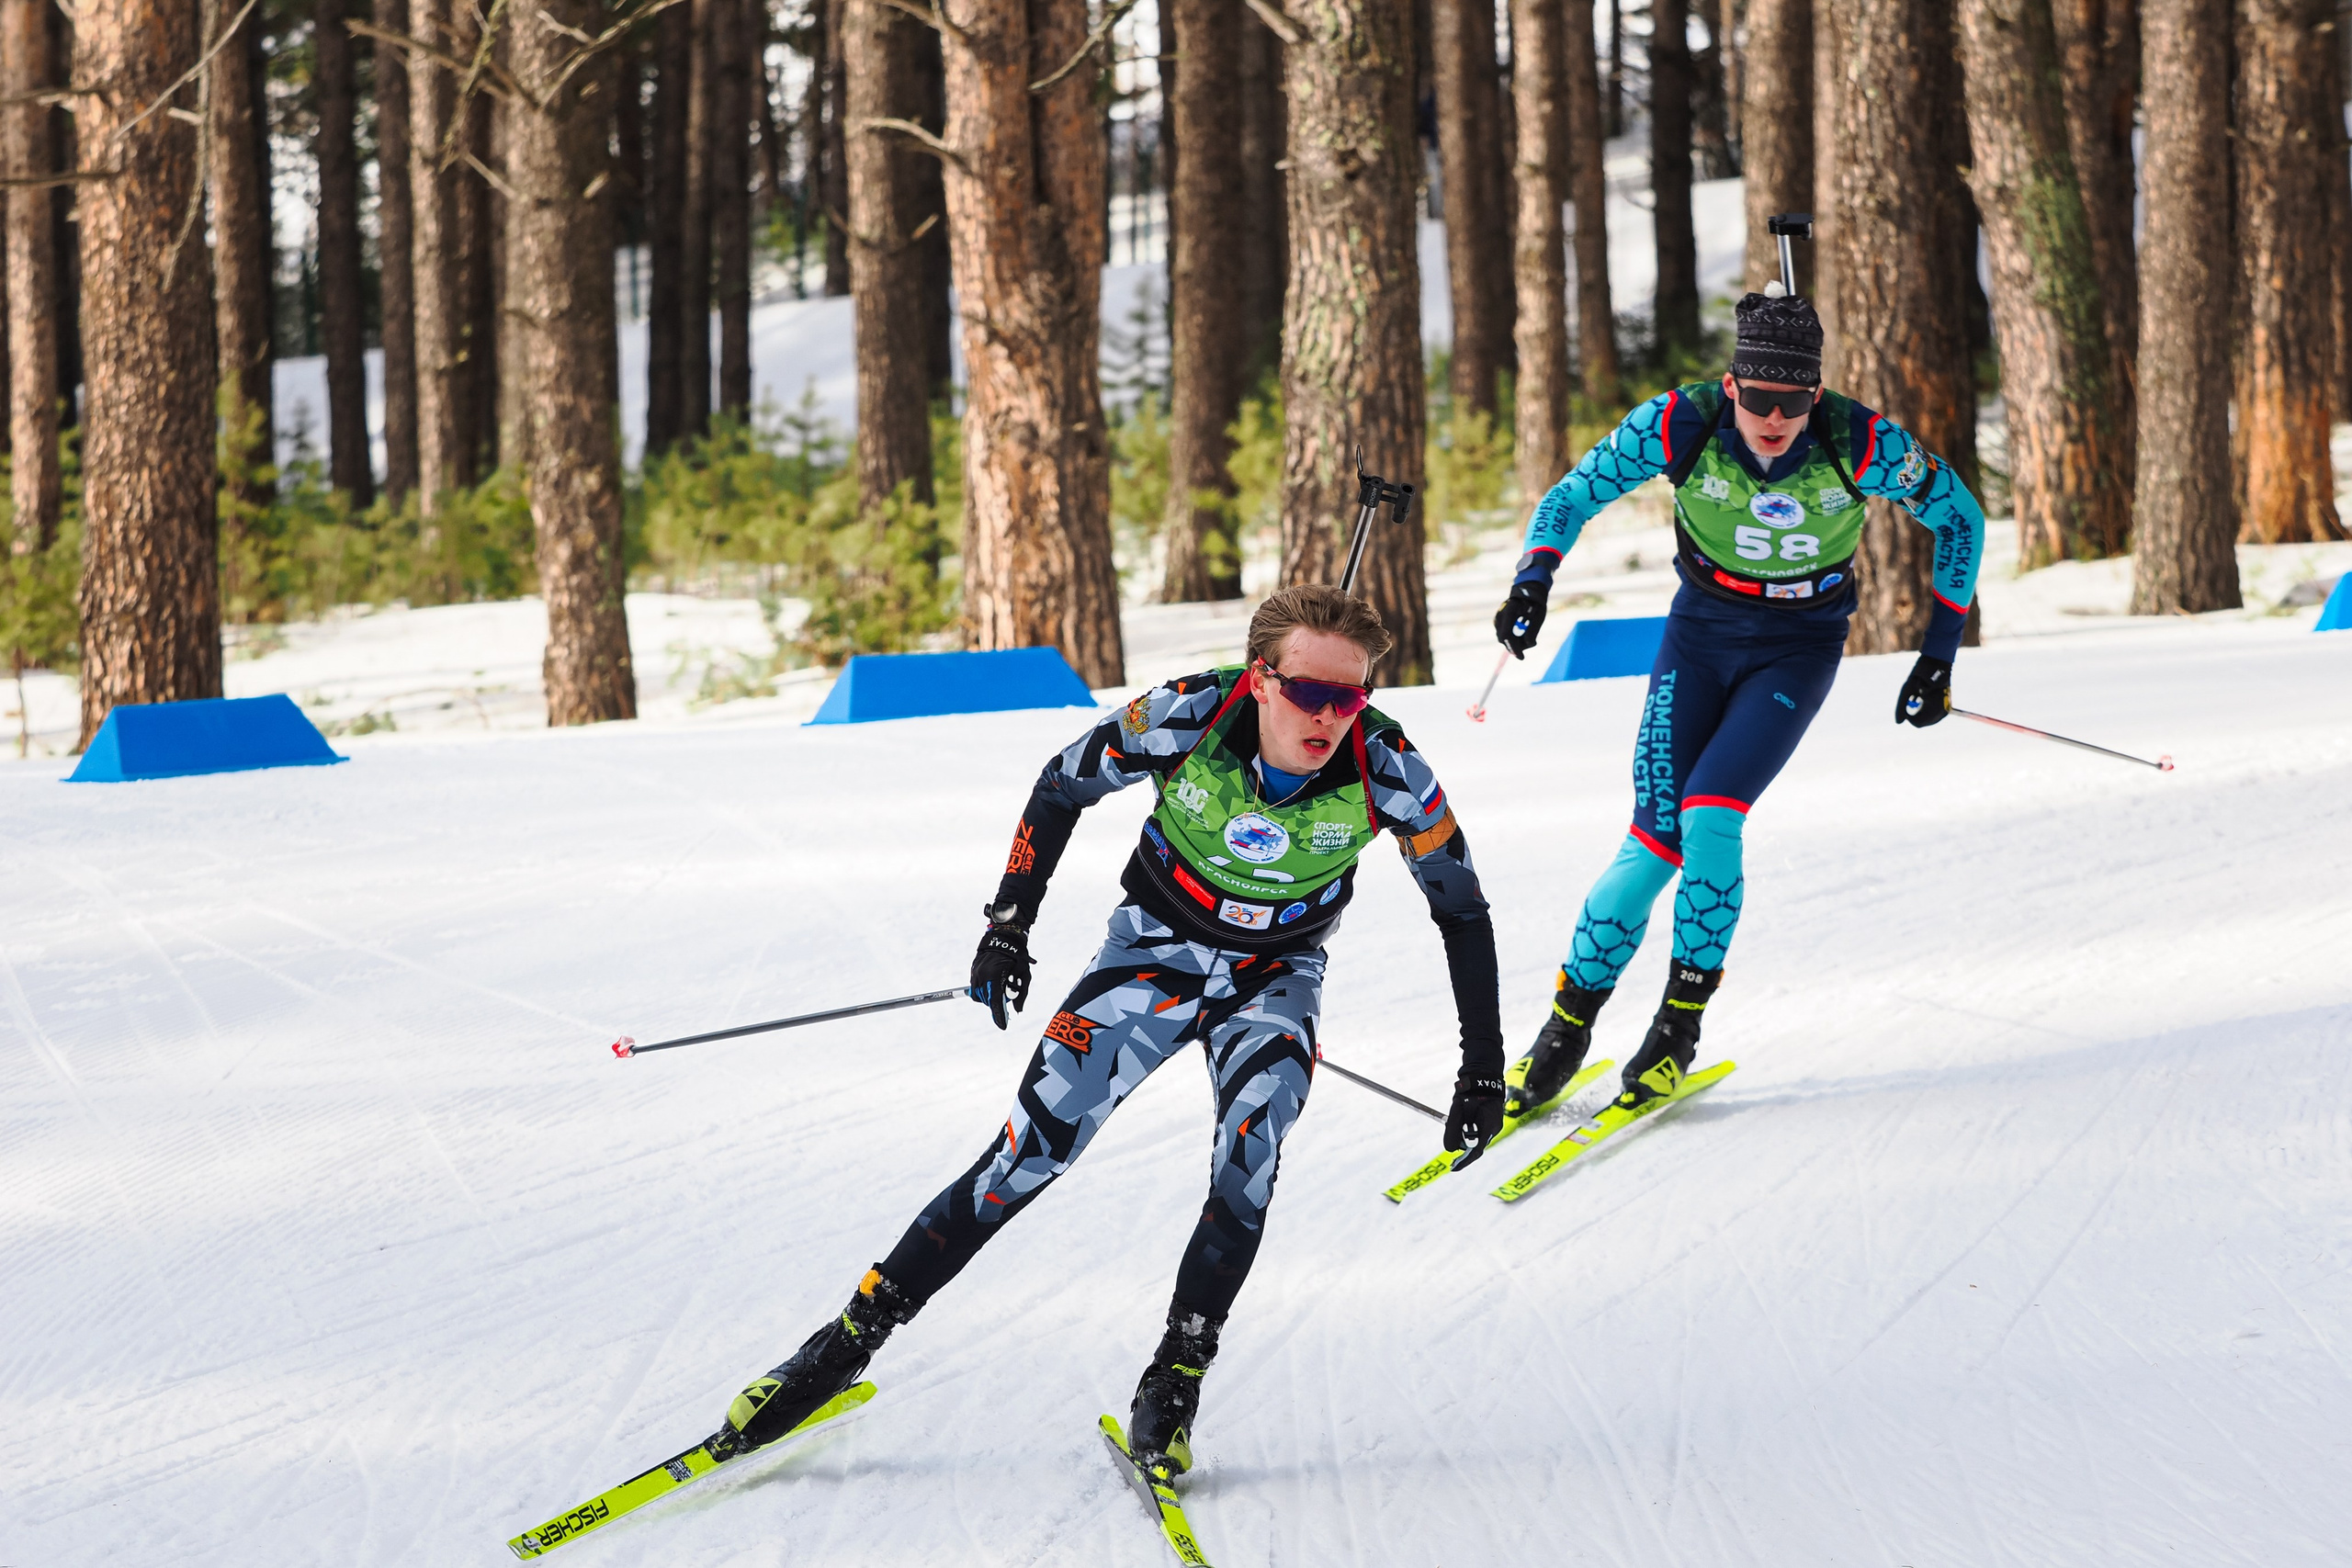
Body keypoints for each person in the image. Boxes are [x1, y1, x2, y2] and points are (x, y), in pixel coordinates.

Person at [713, 585, 1508, 1476]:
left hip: (1275, 976)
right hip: (1152, 954)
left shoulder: (1388, 765)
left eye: (1351, 695)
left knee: (1250, 1156)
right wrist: (1008, 924)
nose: (1330, 715)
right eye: (1310, 693)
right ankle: (844, 1342)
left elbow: (1462, 912)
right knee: (1027, 1151)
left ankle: (1174, 1378)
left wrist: (1482, 1070)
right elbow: (1060, 784)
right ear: (1259, 678)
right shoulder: (1186, 714)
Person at [1490, 285, 1986, 1120]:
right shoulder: (1680, 424)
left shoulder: (1857, 442)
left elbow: (1961, 516)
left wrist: (1939, 657)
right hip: (1700, 635)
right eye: (1757, 398)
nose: (1774, 417)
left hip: (1798, 646)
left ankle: (1677, 1027)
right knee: (1652, 840)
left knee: (1712, 814)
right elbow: (1571, 494)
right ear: (1731, 385)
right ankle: (1566, 1028)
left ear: (1815, 395)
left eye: (1793, 402)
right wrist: (1533, 577)